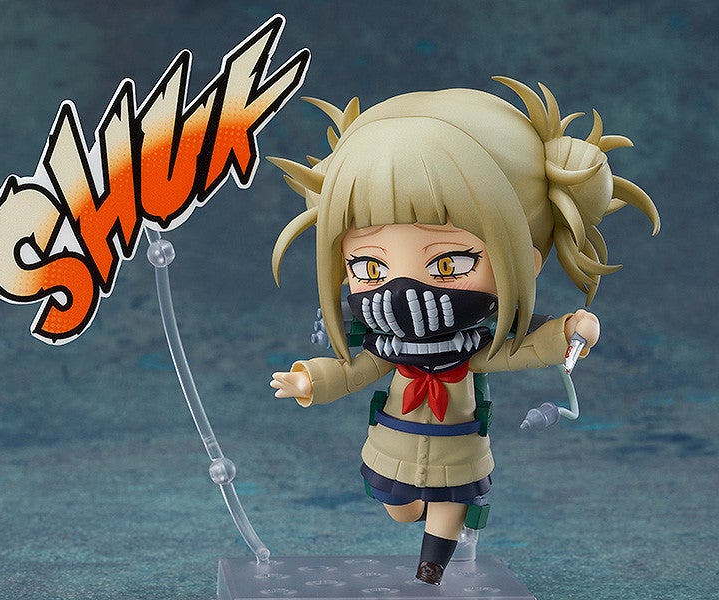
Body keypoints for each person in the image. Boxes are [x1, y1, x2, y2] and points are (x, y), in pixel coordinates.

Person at [268, 77, 659, 585]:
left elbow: (522, 349)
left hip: (460, 447)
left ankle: (432, 567)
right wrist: (310, 380)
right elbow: (355, 369)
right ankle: (416, 517)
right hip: (394, 444)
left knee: (451, 504)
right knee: (401, 509)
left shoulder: (475, 347)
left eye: (448, 263)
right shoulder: (389, 345)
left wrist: (569, 330)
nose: (403, 288)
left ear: (525, 261)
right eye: (370, 266)